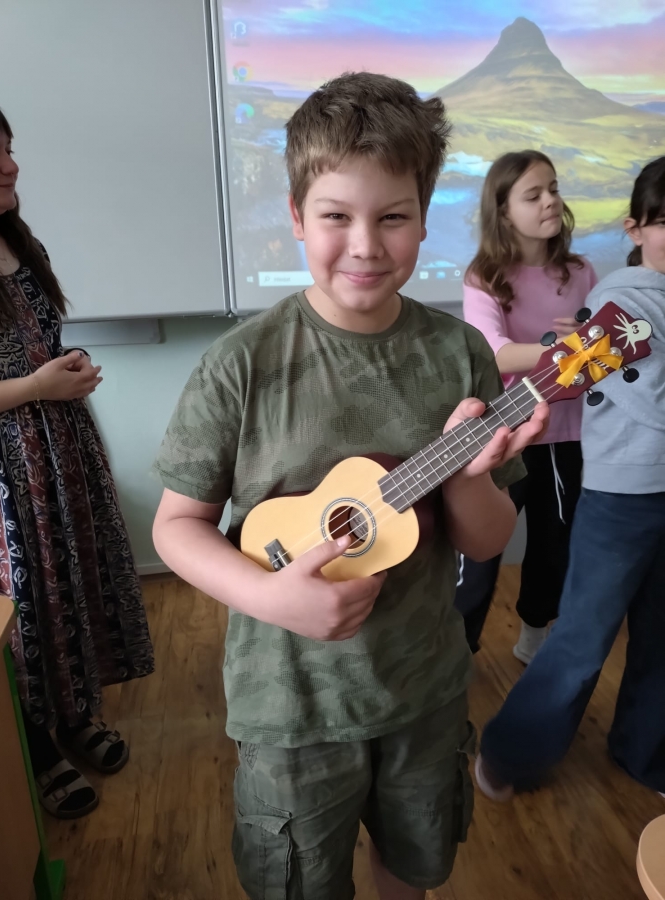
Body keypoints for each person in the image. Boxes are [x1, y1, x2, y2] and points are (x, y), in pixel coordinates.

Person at [152, 73, 547, 899]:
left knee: (412, 866)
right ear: (296, 216)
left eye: (392, 217)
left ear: (424, 219)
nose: (365, 245)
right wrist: (272, 599)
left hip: (423, 687)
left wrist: (466, 474)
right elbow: (176, 527)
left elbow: (485, 539)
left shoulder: (459, 357)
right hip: (290, 708)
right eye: (336, 216)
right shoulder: (241, 364)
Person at [474, 156, 665, 801]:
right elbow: (645, 401)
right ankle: (508, 754)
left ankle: (644, 752)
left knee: (661, 635)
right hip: (623, 495)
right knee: (583, 636)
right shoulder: (620, 301)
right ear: (636, 229)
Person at [0, 101, 154, 818]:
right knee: (22, 605)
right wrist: (36, 386)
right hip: (1, 478)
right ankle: (34, 745)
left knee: (72, 588)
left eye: (8, 147)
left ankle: (74, 713)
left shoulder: (18, 243)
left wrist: (66, 369)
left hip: (59, 453)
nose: (10, 165)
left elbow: (36, 345)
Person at [455, 150, 597, 661]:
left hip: (567, 433)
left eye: (553, 189)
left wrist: (587, 341)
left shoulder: (581, 271)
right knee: (479, 552)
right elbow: (495, 352)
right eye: (533, 195)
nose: (550, 201)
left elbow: (601, 349)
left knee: (555, 544)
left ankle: (535, 631)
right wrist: (568, 349)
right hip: (503, 433)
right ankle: (458, 649)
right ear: (503, 210)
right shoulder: (484, 276)